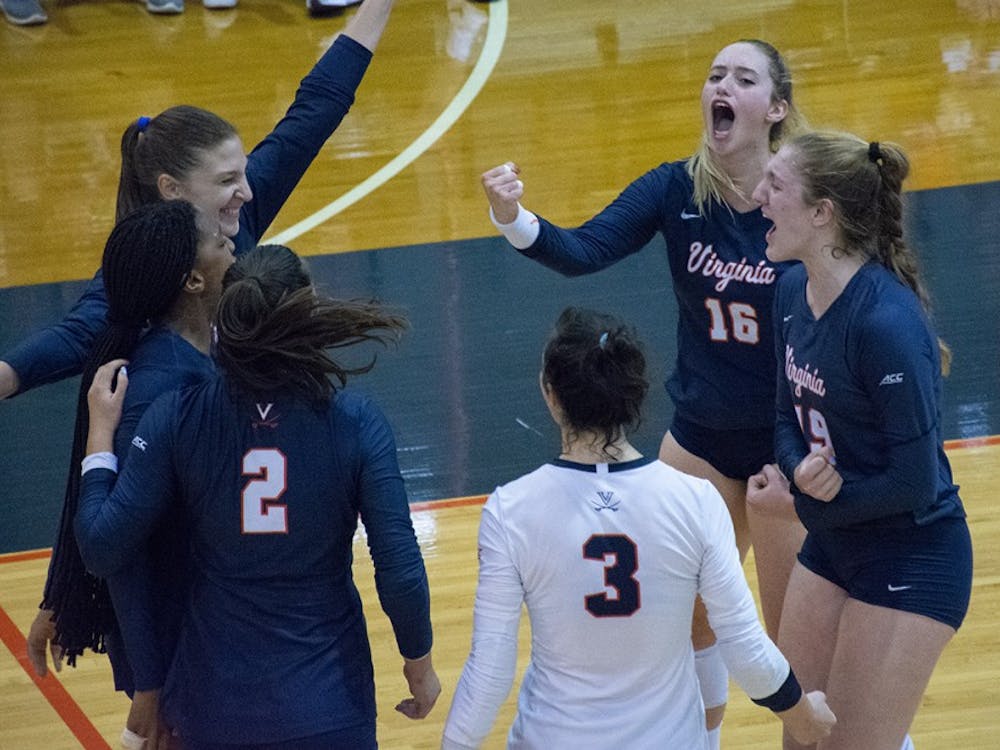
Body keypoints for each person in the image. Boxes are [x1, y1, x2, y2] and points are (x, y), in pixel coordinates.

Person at [480, 39, 808, 743]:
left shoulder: (803, 199)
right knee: (685, 624)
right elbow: (584, 250)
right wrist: (513, 217)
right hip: (699, 442)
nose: (721, 85)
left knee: (787, 648)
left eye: (743, 78)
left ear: (775, 108)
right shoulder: (674, 189)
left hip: (784, 452)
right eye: (715, 74)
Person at [75, 243, 439, 748]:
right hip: (328, 705)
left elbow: (101, 546)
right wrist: (418, 663)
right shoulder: (356, 421)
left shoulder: (177, 417)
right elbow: (398, 566)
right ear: (307, 317)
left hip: (215, 705)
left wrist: (99, 438)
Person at [440, 306, 835, 749]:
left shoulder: (510, 511)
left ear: (550, 394)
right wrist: (801, 713)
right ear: (635, 397)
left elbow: (490, 672)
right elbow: (744, 647)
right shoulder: (696, 501)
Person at [0, 0, 397, 402]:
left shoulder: (237, 213)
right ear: (171, 188)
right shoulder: (141, 265)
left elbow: (316, 108)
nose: (249, 191)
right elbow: (77, 335)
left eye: (243, 171)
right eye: (227, 180)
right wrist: (8, 374)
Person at [750, 130, 973, 750]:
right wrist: (798, 470)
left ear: (822, 214)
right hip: (836, 541)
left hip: (913, 554)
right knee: (802, 738)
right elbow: (783, 416)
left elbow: (915, 482)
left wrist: (813, 502)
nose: (758, 196)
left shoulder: (886, 323)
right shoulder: (792, 290)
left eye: (775, 186)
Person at [27, 200, 234, 748]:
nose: (233, 244)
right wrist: (151, 682)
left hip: (202, 639)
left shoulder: (198, 352)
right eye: (220, 242)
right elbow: (122, 551)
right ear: (192, 280)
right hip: (176, 656)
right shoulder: (162, 388)